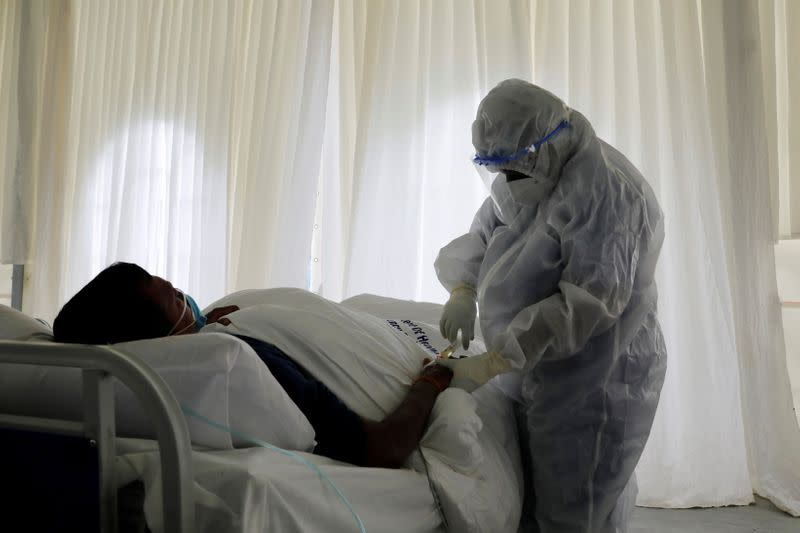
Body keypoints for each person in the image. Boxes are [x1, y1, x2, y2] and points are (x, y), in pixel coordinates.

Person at [435, 79, 667, 533]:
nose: (505, 183)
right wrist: (462, 289)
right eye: (498, 170)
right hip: (533, 370)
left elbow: (590, 302)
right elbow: (489, 227)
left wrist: (498, 359)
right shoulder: (529, 169)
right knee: (528, 500)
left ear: (541, 150)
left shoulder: (608, 195)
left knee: (571, 510)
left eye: (512, 171)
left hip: (598, 379)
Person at [53, 262, 456, 469]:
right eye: (176, 299)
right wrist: (430, 382)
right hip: (399, 345)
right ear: (158, 340)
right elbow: (383, 448)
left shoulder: (105, 386)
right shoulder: (236, 358)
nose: (186, 296)